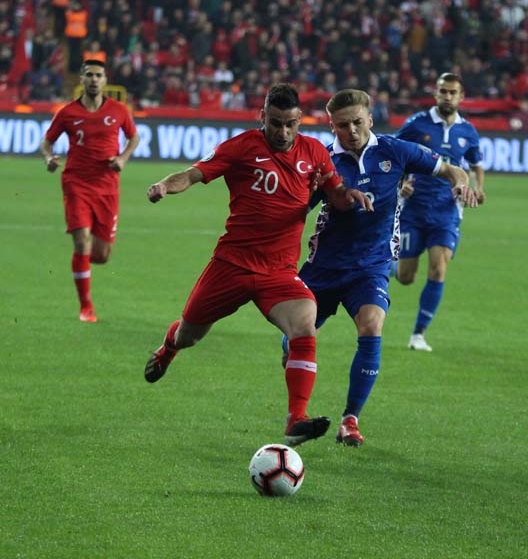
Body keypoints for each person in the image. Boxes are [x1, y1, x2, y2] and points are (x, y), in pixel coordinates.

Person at [143, 83, 373, 447]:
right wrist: (164, 186)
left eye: (291, 124)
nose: (283, 133)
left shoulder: (314, 152)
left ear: (300, 120)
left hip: (278, 271)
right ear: (262, 117)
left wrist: (352, 197)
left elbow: (336, 193)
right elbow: (193, 173)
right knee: (190, 334)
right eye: (276, 123)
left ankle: (296, 419)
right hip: (231, 265)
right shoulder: (241, 147)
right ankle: (168, 348)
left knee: (304, 325)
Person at [281, 89, 478, 446]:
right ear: (332, 126)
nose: (352, 130)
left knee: (372, 326)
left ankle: (350, 419)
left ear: (370, 119)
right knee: (295, 337)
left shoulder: (395, 150)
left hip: (371, 264)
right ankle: (297, 398)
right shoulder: (321, 161)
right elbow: (294, 213)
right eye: (343, 125)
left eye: (358, 122)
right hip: (324, 265)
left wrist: (463, 186)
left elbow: (452, 170)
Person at [40, 59, 140, 323]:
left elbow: (134, 137)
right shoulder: (67, 113)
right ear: (81, 80)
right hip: (76, 183)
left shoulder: (118, 110)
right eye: (89, 75)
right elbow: (47, 142)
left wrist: (122, 159)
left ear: (105, 80)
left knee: (102, 255)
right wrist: (49, 159)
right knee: (81, 240)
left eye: (98, 75)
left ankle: (81, 263)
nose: (94, 79)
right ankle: (86, 307)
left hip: (107, 186)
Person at [394, 72, 486, 352]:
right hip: (414, 209)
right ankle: (390, 265)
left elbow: (476, 163)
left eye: (452, 92)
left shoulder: (467, 131)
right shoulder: (416, 125)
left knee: (438, 268)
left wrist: (479, 188)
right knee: (406, 277)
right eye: (443, 91)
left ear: (461, 97)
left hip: (446, 211)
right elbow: (395, 155)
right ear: (435, 94)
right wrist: (402, 183)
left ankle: (418, 334)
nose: (447, 96)